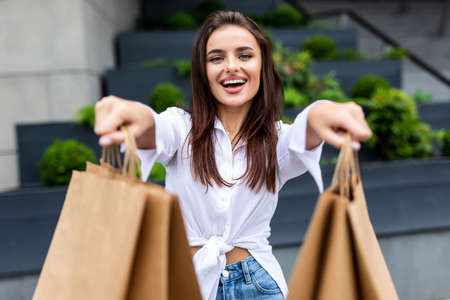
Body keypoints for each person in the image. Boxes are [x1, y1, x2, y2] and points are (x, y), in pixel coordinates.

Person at [94, 10, 372, 300]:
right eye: (216, 58)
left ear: (262, 65)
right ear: (203, 71)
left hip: (258, 285)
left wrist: (325, 111)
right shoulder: (180, 127)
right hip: (187, 281)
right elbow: (153, 126)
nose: (230, 67)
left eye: (244, 56)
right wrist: (128, 113)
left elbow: (307, 128)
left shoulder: (276, 140)